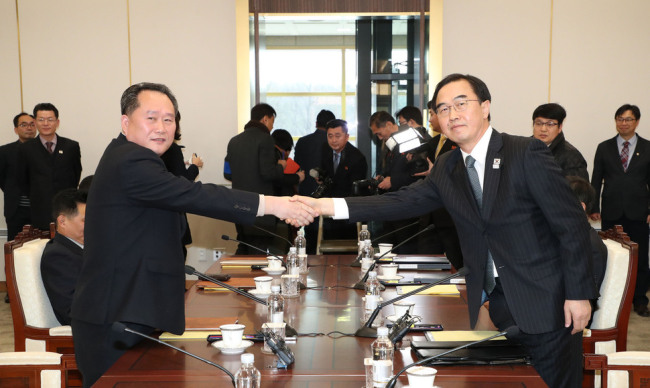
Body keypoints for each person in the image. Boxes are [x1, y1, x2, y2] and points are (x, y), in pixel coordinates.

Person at [296, 73, 596, 387]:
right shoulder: (448, 166)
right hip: (495, 309)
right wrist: (323, 206)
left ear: (485, 107)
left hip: (548, 307)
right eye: (443, 109)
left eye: (460, 104)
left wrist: (578, 294)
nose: (452, 114)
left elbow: (571, 224)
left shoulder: (524, 152)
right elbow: (400, 201)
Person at [69, 82, 316, 387]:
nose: (162, 127)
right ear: (125, 121)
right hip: (117, 318)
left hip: (132, 311)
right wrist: (274, 204)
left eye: (169, 119)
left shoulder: (135, 157)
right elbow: (195, 195)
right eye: (151, 118)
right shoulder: (130, 159)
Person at [591, 104, 650, 317]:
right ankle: (609, 297)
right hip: (611, 210)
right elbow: (596, 179)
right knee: (610, 255)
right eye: (619, 119)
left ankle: (640, 300)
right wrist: (593, 207)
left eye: (628, 119)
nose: (623, 123)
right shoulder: (604, 147)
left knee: (640, 257)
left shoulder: (648, 147)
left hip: (639, 212)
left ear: (636, 122)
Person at [225, 103, 289, 254]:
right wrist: (281, 166)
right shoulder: (266, 139)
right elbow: (268, 173)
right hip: (259, 208)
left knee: (244, 246)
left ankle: (238, 278)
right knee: (259, 252)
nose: (272, 127)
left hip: (238, 205)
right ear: (266, 119)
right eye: (272, 122)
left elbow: (227, 173)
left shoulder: (234, 141)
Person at [18, 103, 82, 230]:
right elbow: (22, 180)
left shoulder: (71, 146)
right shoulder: (25, 149)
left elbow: (76, 174)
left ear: (57, 122)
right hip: (39, 209)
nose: (46, 123)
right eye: (41, 120)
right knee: (43, 247)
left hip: (66, 209)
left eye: (50, 119)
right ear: (35, 122)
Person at [415, 102, 464, 270]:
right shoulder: (433, 142)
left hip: (450, 217)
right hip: (429, 217)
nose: (429, 120)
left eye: (432, 114)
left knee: (455, 267)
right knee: (426, 266)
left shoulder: (459, 142)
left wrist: (435, 173)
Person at [369, 111, 421, 252]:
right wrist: (383, 177)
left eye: (380, 133)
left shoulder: (410, 137)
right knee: (387, 246)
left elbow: (419, 171)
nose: (380, 138)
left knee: (405, 249)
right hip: (392, 202)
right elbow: (393, 168)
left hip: (408, 203)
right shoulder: (392, 142)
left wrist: (393, 180)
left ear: (389, 124)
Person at [161, 111, 204, 259]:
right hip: (173, 216)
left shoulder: (150, 149)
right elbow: (183, 182)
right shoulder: (172, 149)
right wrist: (195, 166)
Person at [40, 188, 86, 325]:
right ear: (62, 221)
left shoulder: (85, 246)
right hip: (94, 328)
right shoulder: (57, 256)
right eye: (86, 220)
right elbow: (72, 312)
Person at [566, 175, 607, 323]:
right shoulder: (572, 238)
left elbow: (584, 299)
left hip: (569, 320)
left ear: (580, 207)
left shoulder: (589, 246)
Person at [294, 109, 335, 253]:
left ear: (316, 123)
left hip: (307, 196)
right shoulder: (334, 143)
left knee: (311, 241)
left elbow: (297, 168)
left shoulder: (302, 142)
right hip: (329, 198)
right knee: (330, 243)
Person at [318, 119, 367, 239]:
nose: (333, 140)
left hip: (348, 211)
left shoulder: (357, 158)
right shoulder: (325, 150)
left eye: (337, 136)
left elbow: (356, 189)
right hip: (329, 209)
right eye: (330, 136)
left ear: (347, 137)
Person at [0, 113, 36, 240]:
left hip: (40, 209)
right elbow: (2, 179)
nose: (29, 128)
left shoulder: (45, 149)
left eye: (32, 124)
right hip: (16, 210)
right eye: (24, 125)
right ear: (16, 129)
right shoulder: (4, 151)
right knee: (15, 249)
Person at [532, 103, 589, 180]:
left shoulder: (572, 156)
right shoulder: (523, 148)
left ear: (560, 127)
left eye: (550, 124)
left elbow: (578, 190)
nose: (543, 129)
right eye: (539, 123)